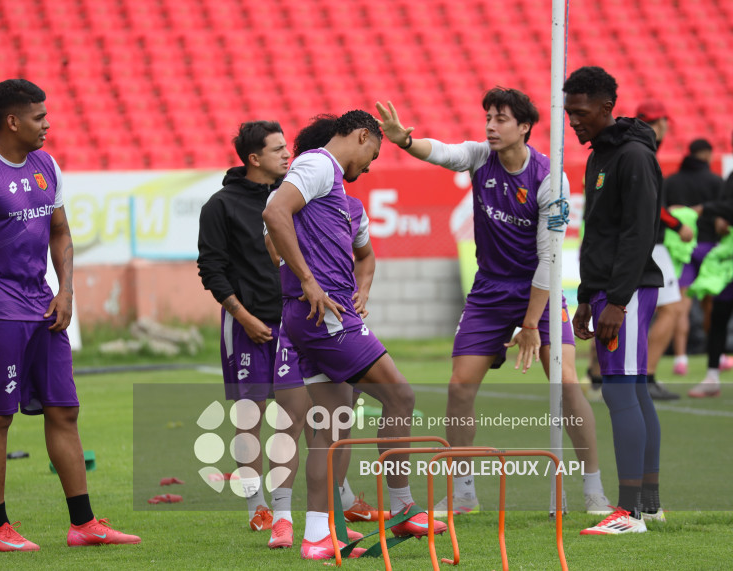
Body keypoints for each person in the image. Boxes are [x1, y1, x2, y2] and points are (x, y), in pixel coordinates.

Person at [375, 89, 610, 518]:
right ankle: (463, 491)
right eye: (487, 117)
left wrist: (530, 324)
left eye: (500, 119)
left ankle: (594, 490)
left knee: (566, 384)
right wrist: (404, 141)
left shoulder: (548, 178)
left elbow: (549, 258)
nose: (490, 126)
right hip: (488, 292)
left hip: (539, 288)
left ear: (524, 127)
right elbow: (443, 152)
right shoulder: (480, 157)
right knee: (459, 387)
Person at [0, 79, 139, 551]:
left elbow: (60, 233)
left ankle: (84, 524)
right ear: (12, 121)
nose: (47, 124)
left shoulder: (47, 165)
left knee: (65, 411)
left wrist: (67, 290)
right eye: (39, 117)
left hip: (44, 309)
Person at [263, 110, 447, 561]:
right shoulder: (318, 164)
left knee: (330, 428)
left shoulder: (340, 191)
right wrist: (308, 279)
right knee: (400, 397)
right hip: (325, 315)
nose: (370, 166)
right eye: (373, 155)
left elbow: (363, 256)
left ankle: (317, 535)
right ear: (362, 136)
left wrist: (355, 288)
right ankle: (403, 507)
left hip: (308, 315)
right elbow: (273, 212)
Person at [197, 121, 314, 548]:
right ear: (254, 158)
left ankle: (284, 507)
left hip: (292, 324)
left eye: (287, 147)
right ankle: (256, 506)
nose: (288, 155)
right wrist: (243, 317)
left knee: (293, 416)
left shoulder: (295, 197)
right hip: (246, 325)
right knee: (249, 418)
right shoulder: (220, 206)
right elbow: (211, 270)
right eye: (278, 149)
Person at [563, 66, 664, 534]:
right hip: (606, 290)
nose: (574, 122)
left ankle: (630, 512)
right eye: (568, 114)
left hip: (628, 290)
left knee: (622, 394)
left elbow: (639, 233)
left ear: (606, 107)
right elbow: (597, 234)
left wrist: (618, 301)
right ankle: (649, 503)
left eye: (581, 113)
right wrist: (587, 296)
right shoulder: (598, 157)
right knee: (636, 393)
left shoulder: (633, 156)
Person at [635, 100, 694, 400]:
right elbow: (652, 204)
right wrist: (677, 224)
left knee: (632, 312)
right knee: (670, 310)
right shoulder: (644, 153)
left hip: (634, 244)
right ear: (659, 125)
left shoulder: (629, 150)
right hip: (650, 246)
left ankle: (609, 377)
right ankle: (645, 378)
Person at [664, 139, 725, 376]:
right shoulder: (717, 181)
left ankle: (681, 358)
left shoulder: (672, 181)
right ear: (708, 154)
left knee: (680, 306)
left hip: (683, 248)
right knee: (712, 305)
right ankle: (716, 356)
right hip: (711, 248)